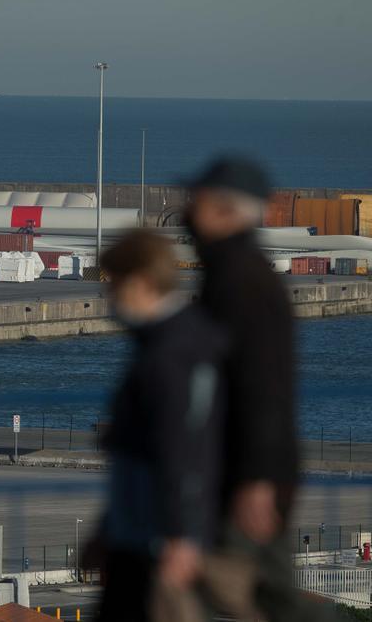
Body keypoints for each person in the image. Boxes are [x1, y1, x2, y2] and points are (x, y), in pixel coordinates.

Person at [186, 157, 311, 620]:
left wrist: (256, 480)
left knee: (265, 596)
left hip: (247, 474)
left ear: (225, 210)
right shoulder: (234, 273)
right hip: (244, 469)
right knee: (258, 594)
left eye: (198, 202)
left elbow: (263, 383)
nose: (186, 212)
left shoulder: (240, 281)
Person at [95, 230, 228, 622]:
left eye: (116, 286)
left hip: (152, 539)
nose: (111, 298)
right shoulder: (179, 340)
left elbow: (182, 445)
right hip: (141, 532)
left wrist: (180, 534)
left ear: (141, 282)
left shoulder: (169, 351)